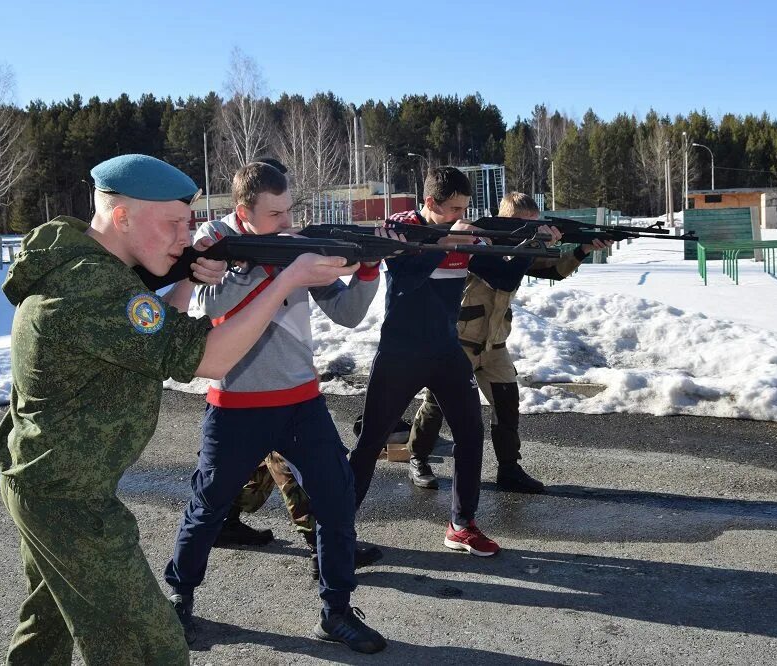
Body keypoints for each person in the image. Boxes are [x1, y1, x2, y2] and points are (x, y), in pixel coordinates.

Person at [0, 154, 359, 665]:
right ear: (122, 217)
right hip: (69, 499)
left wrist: (187, 278)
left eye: (188, 224)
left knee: (46, 626)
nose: (186, 238)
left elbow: (160, 330)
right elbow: (207, 357)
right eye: (173, 225)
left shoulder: (93, 272)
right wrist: (285, 281)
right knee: (150, 649)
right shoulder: (90, 289)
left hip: (50, 483)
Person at [164, 161, 389, 654]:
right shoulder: (213, 245)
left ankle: (336, 610)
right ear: (244, 211)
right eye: (275, 214)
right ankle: (178, 598)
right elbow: (218, 308)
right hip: (236, 403)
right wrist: (287, 272)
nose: (287, 223)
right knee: (208, 507)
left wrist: (368, 268)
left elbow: (349, 314)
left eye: (290, 211)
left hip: (300, 401)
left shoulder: (295, 247)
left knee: (335, 498)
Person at [349, 166, 529, 558]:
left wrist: (542, 242)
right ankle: (336, 529)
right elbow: (405, 274)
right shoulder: (402, 227)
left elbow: (502, 274)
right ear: (430, 203)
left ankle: (461, 524)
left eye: (465, 208)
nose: (460, 215)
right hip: (401, 352)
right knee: (370, 443)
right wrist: (448, 241)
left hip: (447, 352)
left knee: (470, 433)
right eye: (452, 209)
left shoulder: (460, 232)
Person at [405, 192, 609, 494]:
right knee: (437, 404)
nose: (535, 231)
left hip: (494, 344)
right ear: (506, 222)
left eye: (536, 225)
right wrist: (534, 244)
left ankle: (509, 469)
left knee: (507, 406)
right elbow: (504, 277)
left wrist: (582, 249)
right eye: (527, 226)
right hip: (459, 341)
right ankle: (418, 458)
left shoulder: (519, 249)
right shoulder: (476, 243)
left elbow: (550, 269)